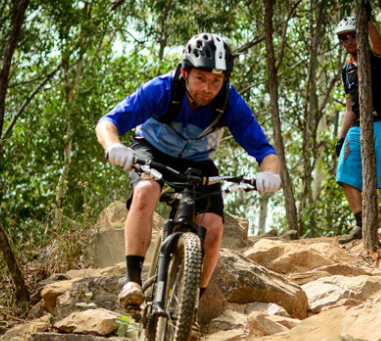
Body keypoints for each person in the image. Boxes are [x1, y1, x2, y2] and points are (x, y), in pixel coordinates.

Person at [96, 33, 282, 311]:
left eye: (216, 81)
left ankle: (191, 307)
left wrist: (269, 174)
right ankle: (132, 281)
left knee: (213, 227)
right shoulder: (161, 90)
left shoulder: (230, 102)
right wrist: (114, 146)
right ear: (185, 72)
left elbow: (266, 153)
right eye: (200, 79)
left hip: (198, 161)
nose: (208, 88)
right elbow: (107, 122)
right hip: (151, 150)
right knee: (145, 190)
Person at [333, 14, 381, 244]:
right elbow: (349, 108)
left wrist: (367, 17)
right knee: (344, 170)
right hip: (358, 125)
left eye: (353, 35)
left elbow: (378, 43)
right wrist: (341, 137)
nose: (349, 41)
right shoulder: (347, 71)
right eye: (344, 38)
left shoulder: (375, 57)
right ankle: (361, 224)